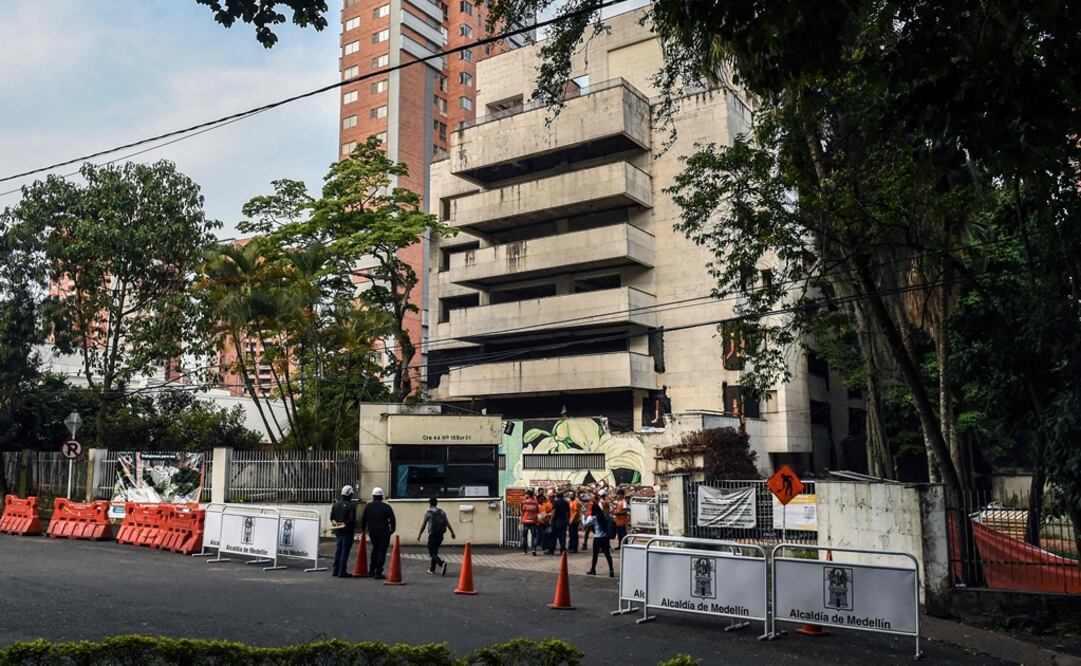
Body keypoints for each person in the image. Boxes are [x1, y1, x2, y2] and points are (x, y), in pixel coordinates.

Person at [360, 486, 396, 579]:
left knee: (375, 549)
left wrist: (363, 529)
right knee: (382, 551)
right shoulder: (387, 507)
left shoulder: (368, 506)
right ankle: (378, 572)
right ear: (381, 496)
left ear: (373, 496)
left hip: (373, 531)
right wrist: (392, 530)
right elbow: (392, 520)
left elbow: (364, 519)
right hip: (384, 531)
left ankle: (371, 570)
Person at [418, 497, 455, 575]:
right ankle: (432, 569)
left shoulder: (428, 513)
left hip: (433, 535)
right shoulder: (442, 512)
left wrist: (419, 535)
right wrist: (452, 533)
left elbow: (423, 525)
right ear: (437, 503)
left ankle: (441, 563)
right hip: (440, 535)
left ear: (430, 504)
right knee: (435, 551)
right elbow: (447, 523)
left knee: (432, 552)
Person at [329, 485, 357, 578]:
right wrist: (342, 523)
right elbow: (351, 520)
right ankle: (342, 571)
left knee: (338, 550)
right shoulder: (351, 506)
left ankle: (335, 570)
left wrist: (335, 523)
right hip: (347, 531)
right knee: (345, 551)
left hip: (338, 531)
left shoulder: (336, 504)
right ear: (350, 494)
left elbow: (331, 517)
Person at [584, 499, 614, 577]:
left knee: (595, 555)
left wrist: (583, 518)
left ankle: (593, 569)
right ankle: (611, 569)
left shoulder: (593, 517)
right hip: (605, 537)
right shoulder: (603, 516)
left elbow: (585, 525)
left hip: (597, 538)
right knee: (607, 554)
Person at [548, 489, 570, 555]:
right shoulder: (566, 503)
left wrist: (551, 520)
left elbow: (554, 512)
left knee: (553, 536)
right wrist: (567, 520)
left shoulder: (556, 502)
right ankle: (562, 550)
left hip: (556, 521)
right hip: (563, 521)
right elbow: (568, 513)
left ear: (557, 496)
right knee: (562, 536)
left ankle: (551, 550)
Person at [520, 489, 540, 555]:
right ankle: (534, 550)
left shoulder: (524, 502)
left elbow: (522, 511)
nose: (525, 495)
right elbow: (537, 511)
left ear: (528, 495)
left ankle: (525, 550)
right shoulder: (535, 503)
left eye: (526, 494)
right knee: (534, 536)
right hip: (533, 521)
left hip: (525, 521)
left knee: (524, 536)